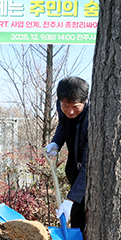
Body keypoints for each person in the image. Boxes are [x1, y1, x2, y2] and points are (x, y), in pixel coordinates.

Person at [44, 76, 89, 231]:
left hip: (91, 172)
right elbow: (63, 125)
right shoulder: (62, 105)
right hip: (74, 168)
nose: (70, 111)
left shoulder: (93, 119)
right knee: (76, 214)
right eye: (65, 106)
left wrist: (71, 199)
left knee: (85, 211)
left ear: (85, 101)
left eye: (75, 106)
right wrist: (56, 142)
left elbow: (88, 165)